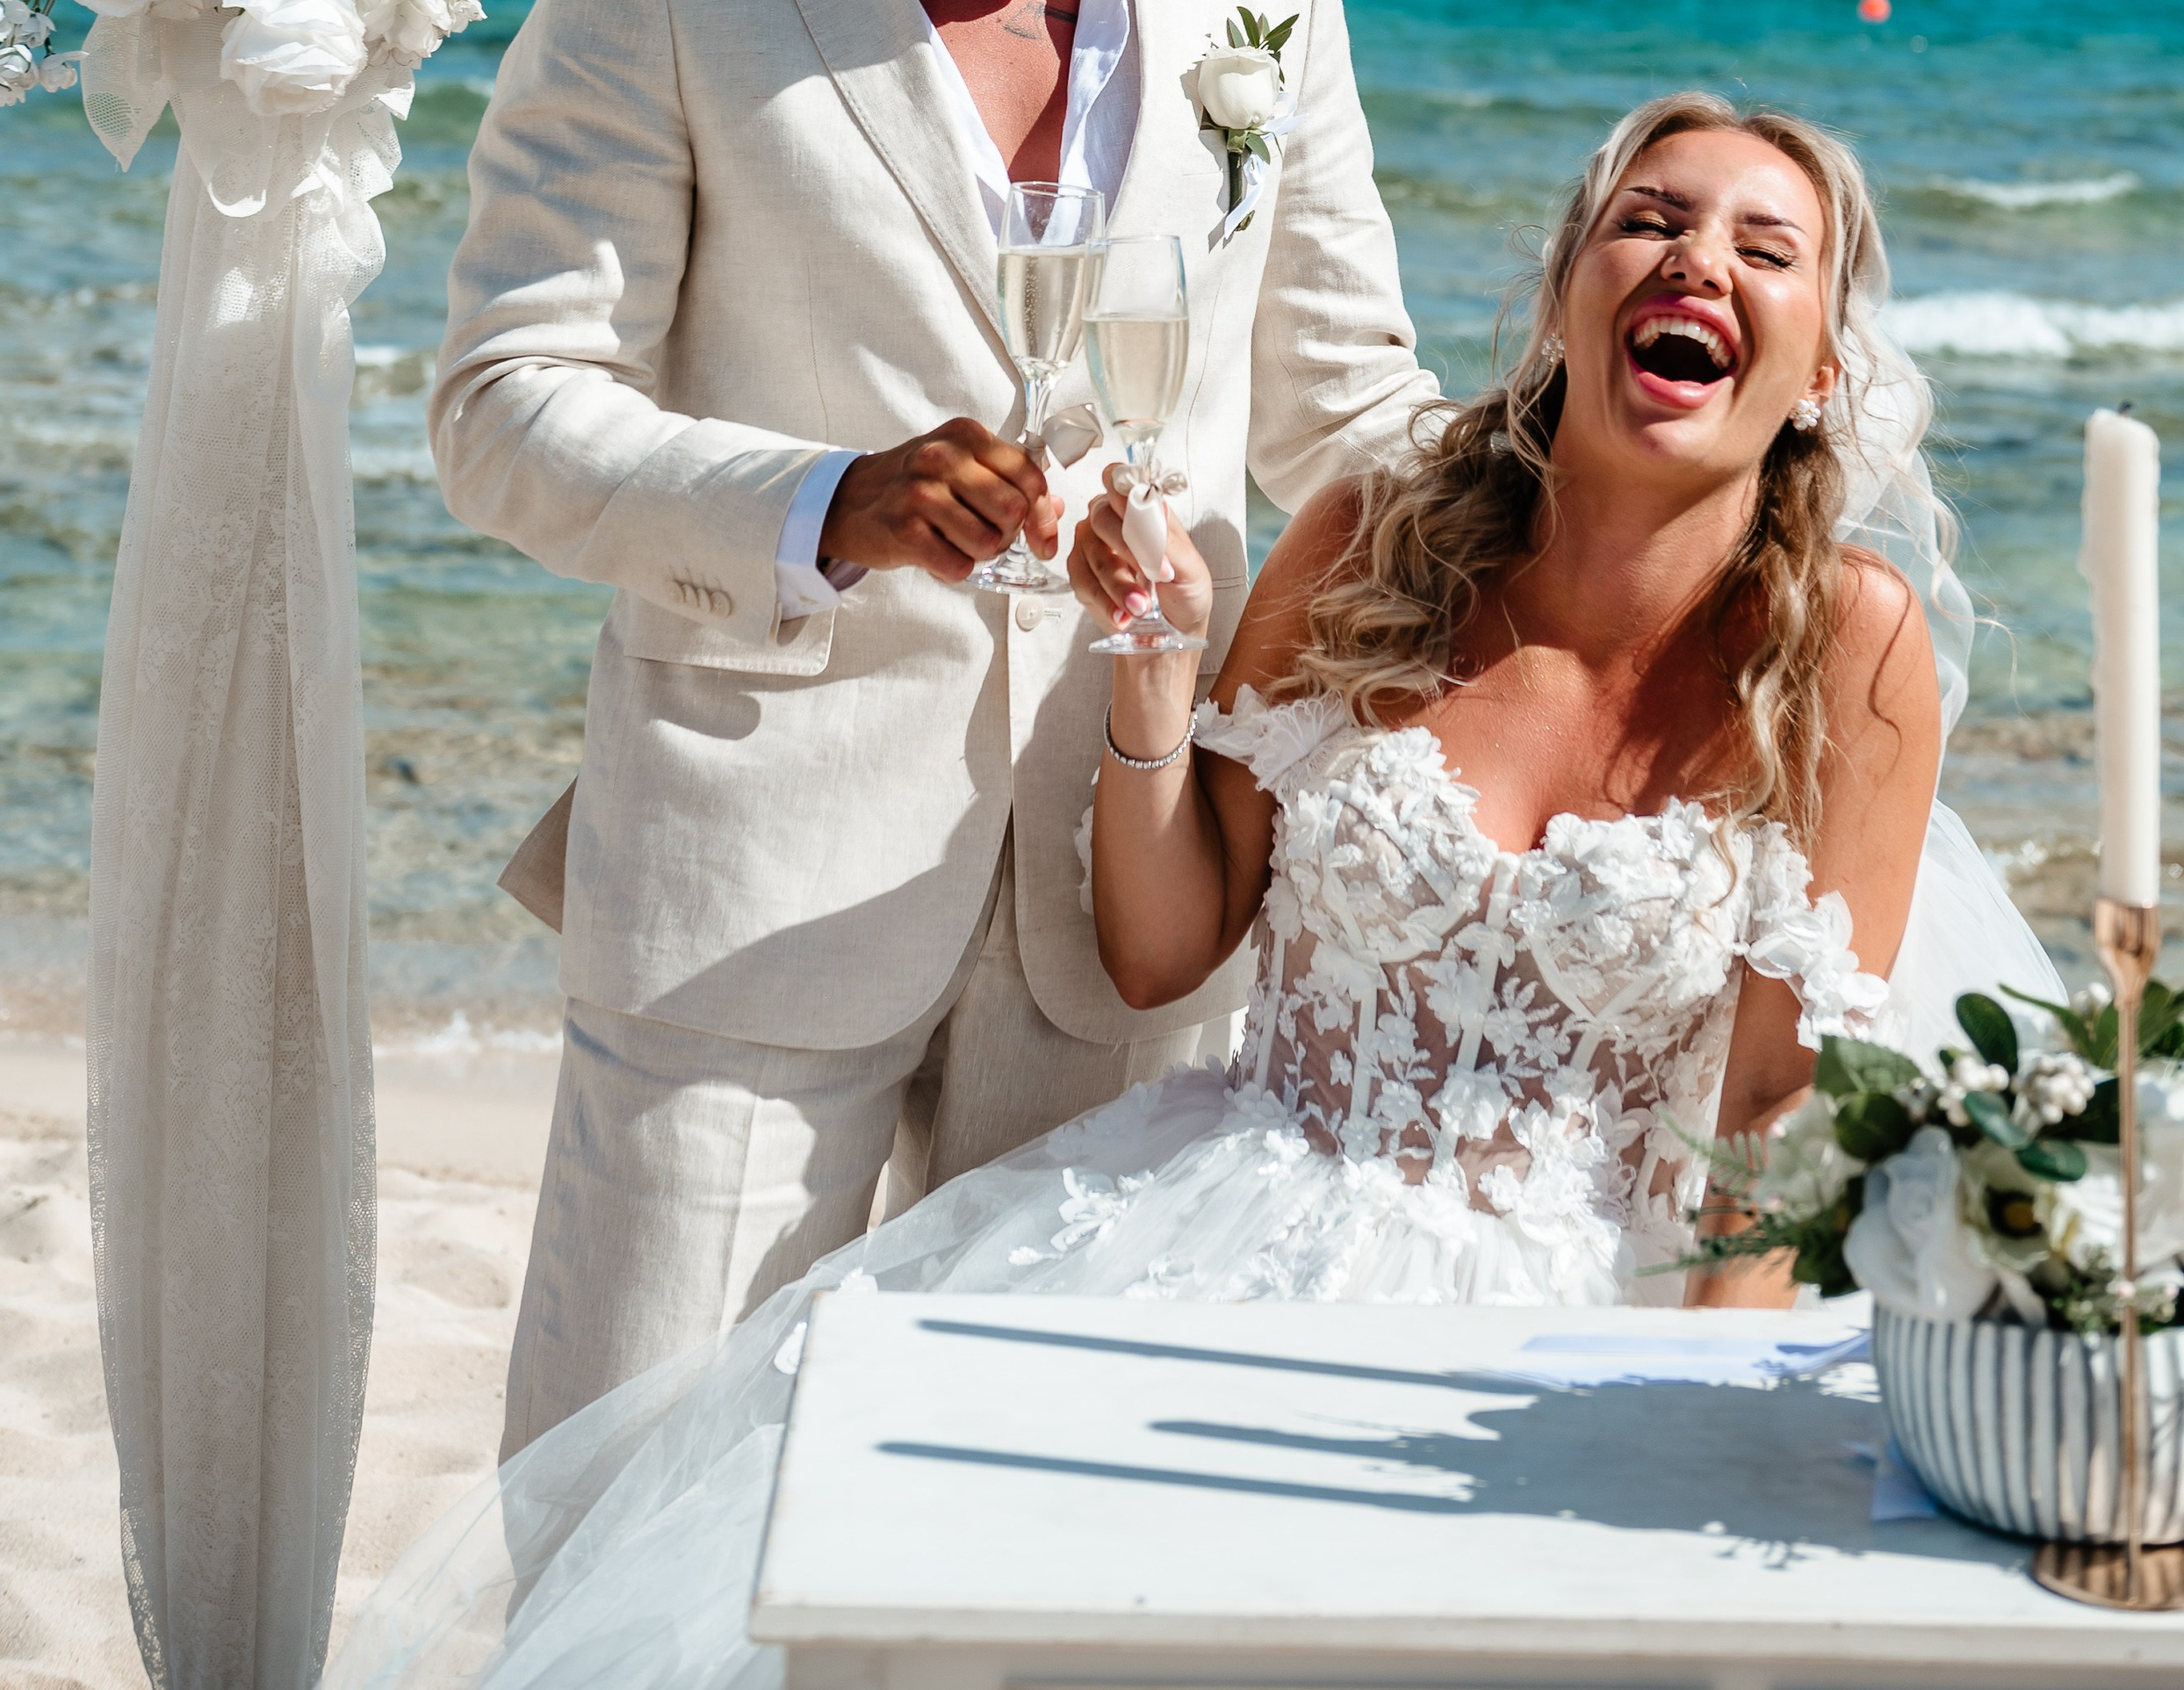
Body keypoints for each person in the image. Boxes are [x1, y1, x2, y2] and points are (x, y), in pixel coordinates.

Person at [333, 91, 2061, 1688]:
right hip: (1234, 1212)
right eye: (1646, 218)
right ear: (1560, 294)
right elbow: (1161, 950)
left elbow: (1774, 1106)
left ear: (1820, 362)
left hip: (1584, 1299)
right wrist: (1145, 678)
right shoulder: (1375, 526)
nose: (1694, 259)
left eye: (1764, 249)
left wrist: (1699, 1415)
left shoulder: (1846, 643)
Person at [429, 0, 1438, 1455]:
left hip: (1138, 884)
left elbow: (1346, 405)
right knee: (628, 1491)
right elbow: (505, 400)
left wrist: (1608, 531)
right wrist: (820, 499)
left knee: (1040, 1521)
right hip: (751, 875)